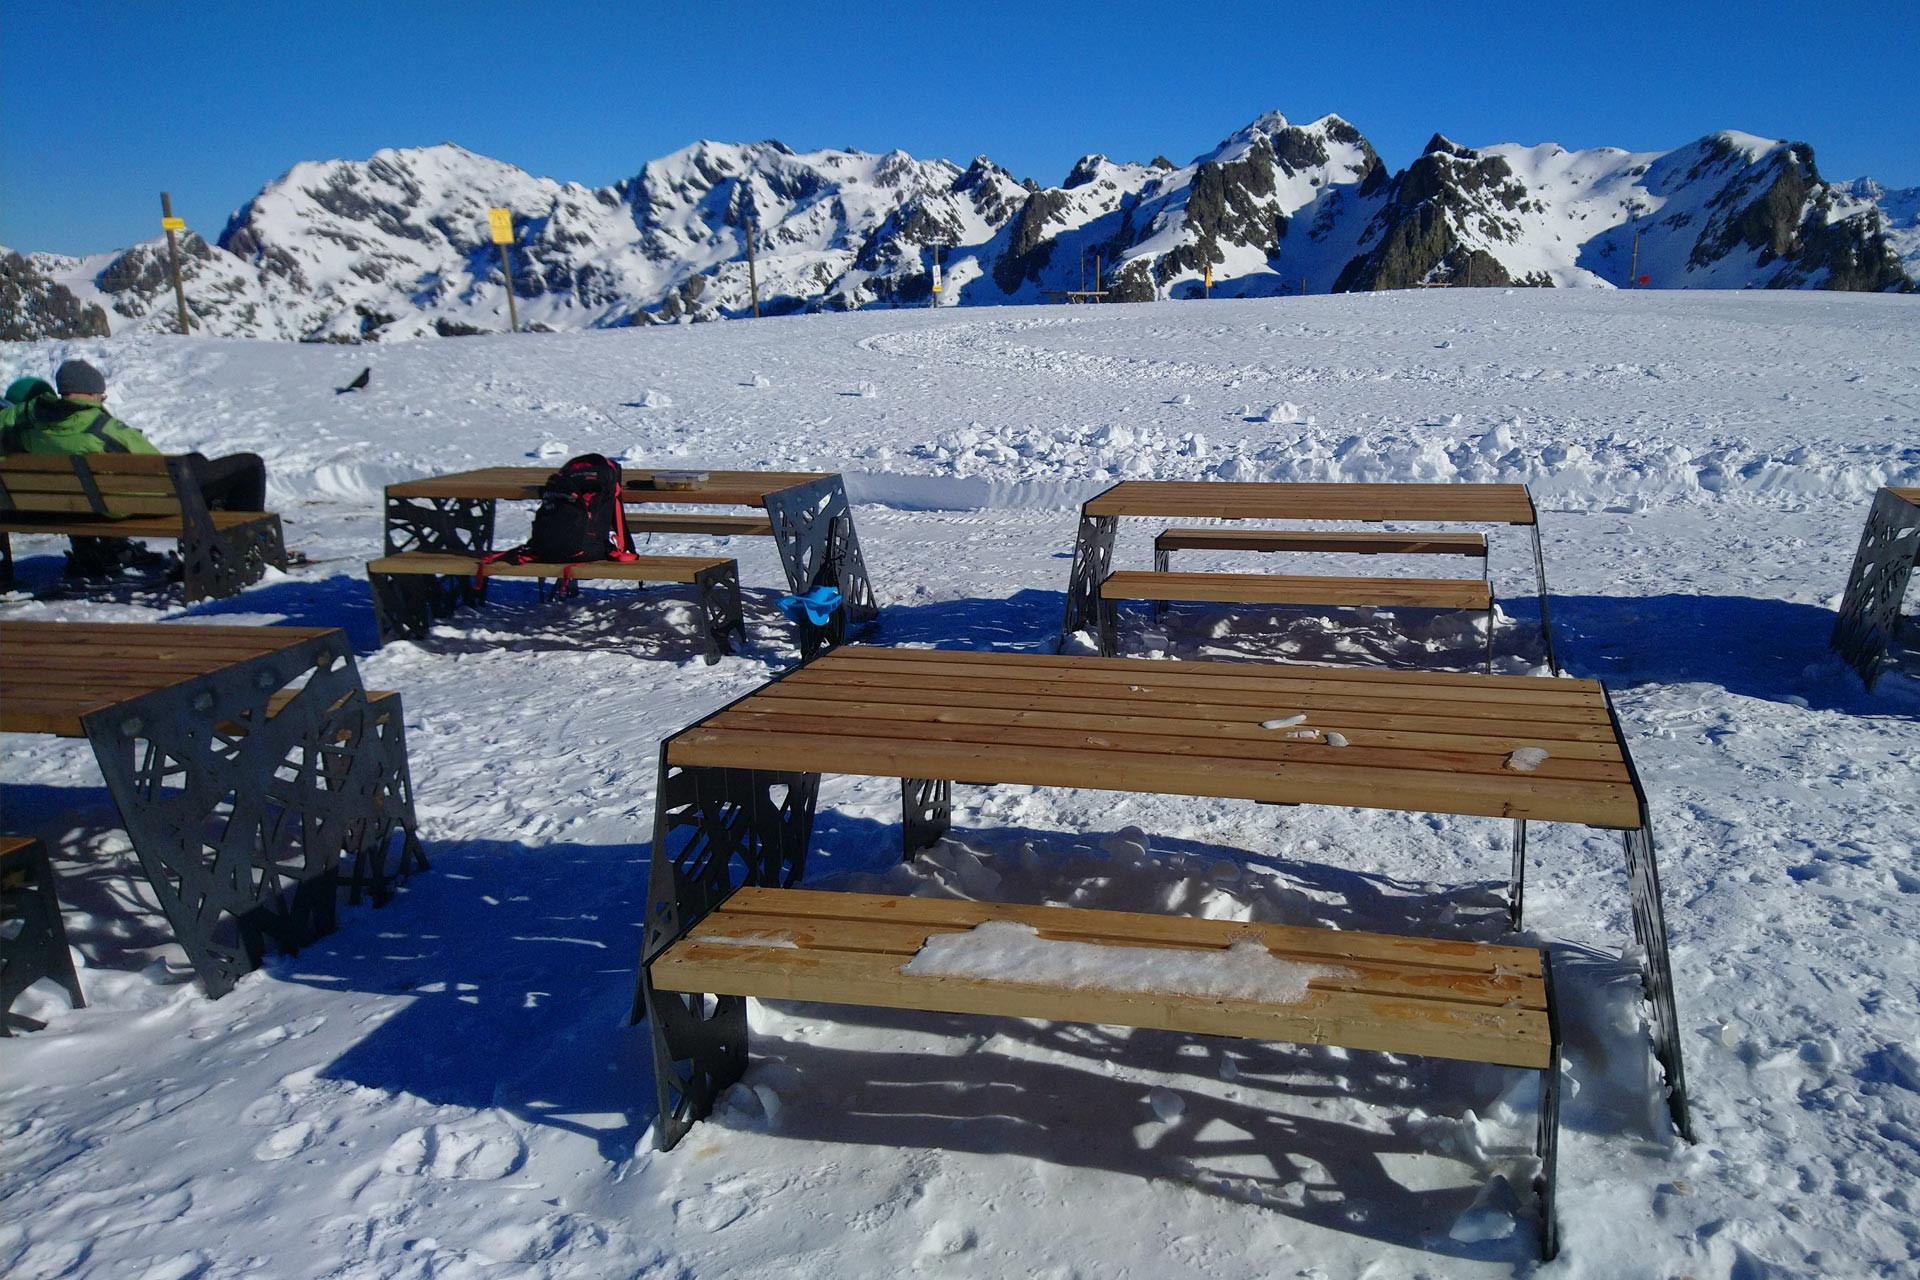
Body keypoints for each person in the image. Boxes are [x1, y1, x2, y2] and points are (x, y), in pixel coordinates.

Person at [1, 359, 271, 577]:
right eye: (101, 396)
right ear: (92, 394)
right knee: (249, 465)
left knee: (196, 460)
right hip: (125, 506)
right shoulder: (103, 429)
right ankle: (242, 548)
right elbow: (161, 471)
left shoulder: (30, 425)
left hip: (73, 504)